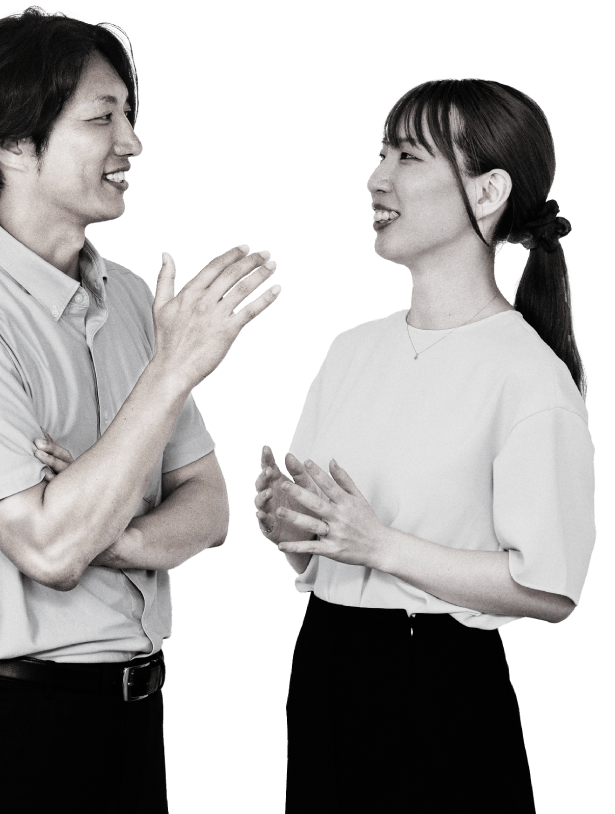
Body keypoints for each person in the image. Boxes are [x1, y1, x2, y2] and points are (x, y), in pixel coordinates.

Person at [0, 5, 280, 812]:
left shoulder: (129, 298)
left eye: (129, 115)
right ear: (13, 143)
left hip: (128, 723)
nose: (132, 143)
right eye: (102, 118)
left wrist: (116, 535)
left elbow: (210, 508)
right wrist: (171, 372)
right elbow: (51, 547)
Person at [253, 77, 596, 813]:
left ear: (487, 191)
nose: (377, 179)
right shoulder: (350, 350)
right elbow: (327, 550)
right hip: (325, 662)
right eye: (381, 155)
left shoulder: (529, 375)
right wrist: (293, 529)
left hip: (438, 687)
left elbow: (551, 587)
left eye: (407, 157)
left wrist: (380, 545)